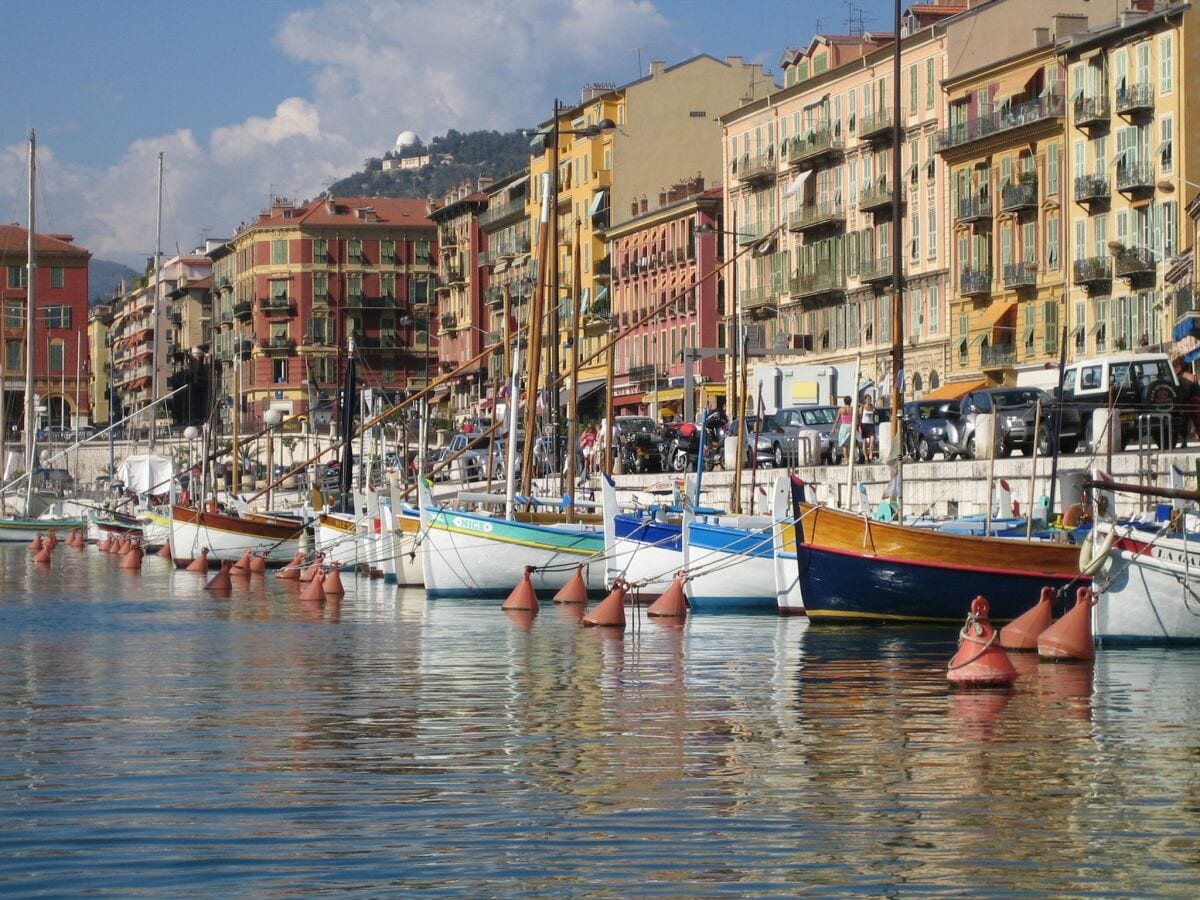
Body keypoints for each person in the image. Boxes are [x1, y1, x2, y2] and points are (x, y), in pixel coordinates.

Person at [1175, 358, 1200, 445]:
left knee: (1184, 422)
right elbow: (1198, 389)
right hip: (1196, 400)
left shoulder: (1178, 378)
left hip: (1185, 402)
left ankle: (1184, 441)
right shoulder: (1193, 376)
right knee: (1197, 421)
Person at [835, 395, 854, 463]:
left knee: (844, 445)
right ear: (850, 401)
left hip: (844, 426)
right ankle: (851, 458)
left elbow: (837, 419)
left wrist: (834, 428)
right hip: (851, 426)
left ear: (844, 401)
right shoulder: (853, 409)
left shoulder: (841, 409)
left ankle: (846, 459)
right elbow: (857, 418)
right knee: (850, 443)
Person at [859, 395, 877, 461]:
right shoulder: (862, 407)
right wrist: (859, 427)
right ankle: (866, 457)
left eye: (870, 399)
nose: (869, 400)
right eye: (868, 399)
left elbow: (874, 416)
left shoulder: (872, 407)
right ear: (865, 400)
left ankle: (871, 455)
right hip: (864, 424)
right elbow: (860, 417)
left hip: (871, 425)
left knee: (872, 440)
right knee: (864, 441)